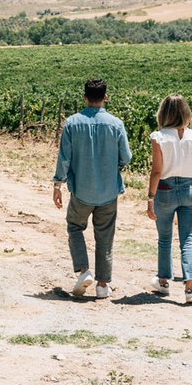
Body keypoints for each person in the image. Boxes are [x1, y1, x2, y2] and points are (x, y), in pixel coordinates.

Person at [52, 78, 131, 300]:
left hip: (81, 191)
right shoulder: (116, 124)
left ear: (84, 97)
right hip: (108, 191)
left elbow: (64, 159)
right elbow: (126, 157)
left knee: (75, 227)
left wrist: (57, 184)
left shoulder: (71, 123)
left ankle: (83, 270)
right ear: (105, 97)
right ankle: (102, 286)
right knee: (105, 236)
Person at [145, 94, 192, 304]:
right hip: (189, 188)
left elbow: (156, 171)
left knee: (164, 239)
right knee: (187, 239)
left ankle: (163, 282)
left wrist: (150, 198)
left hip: (165, 189)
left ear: (164, 113)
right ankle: (190, 286)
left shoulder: (159, 136)